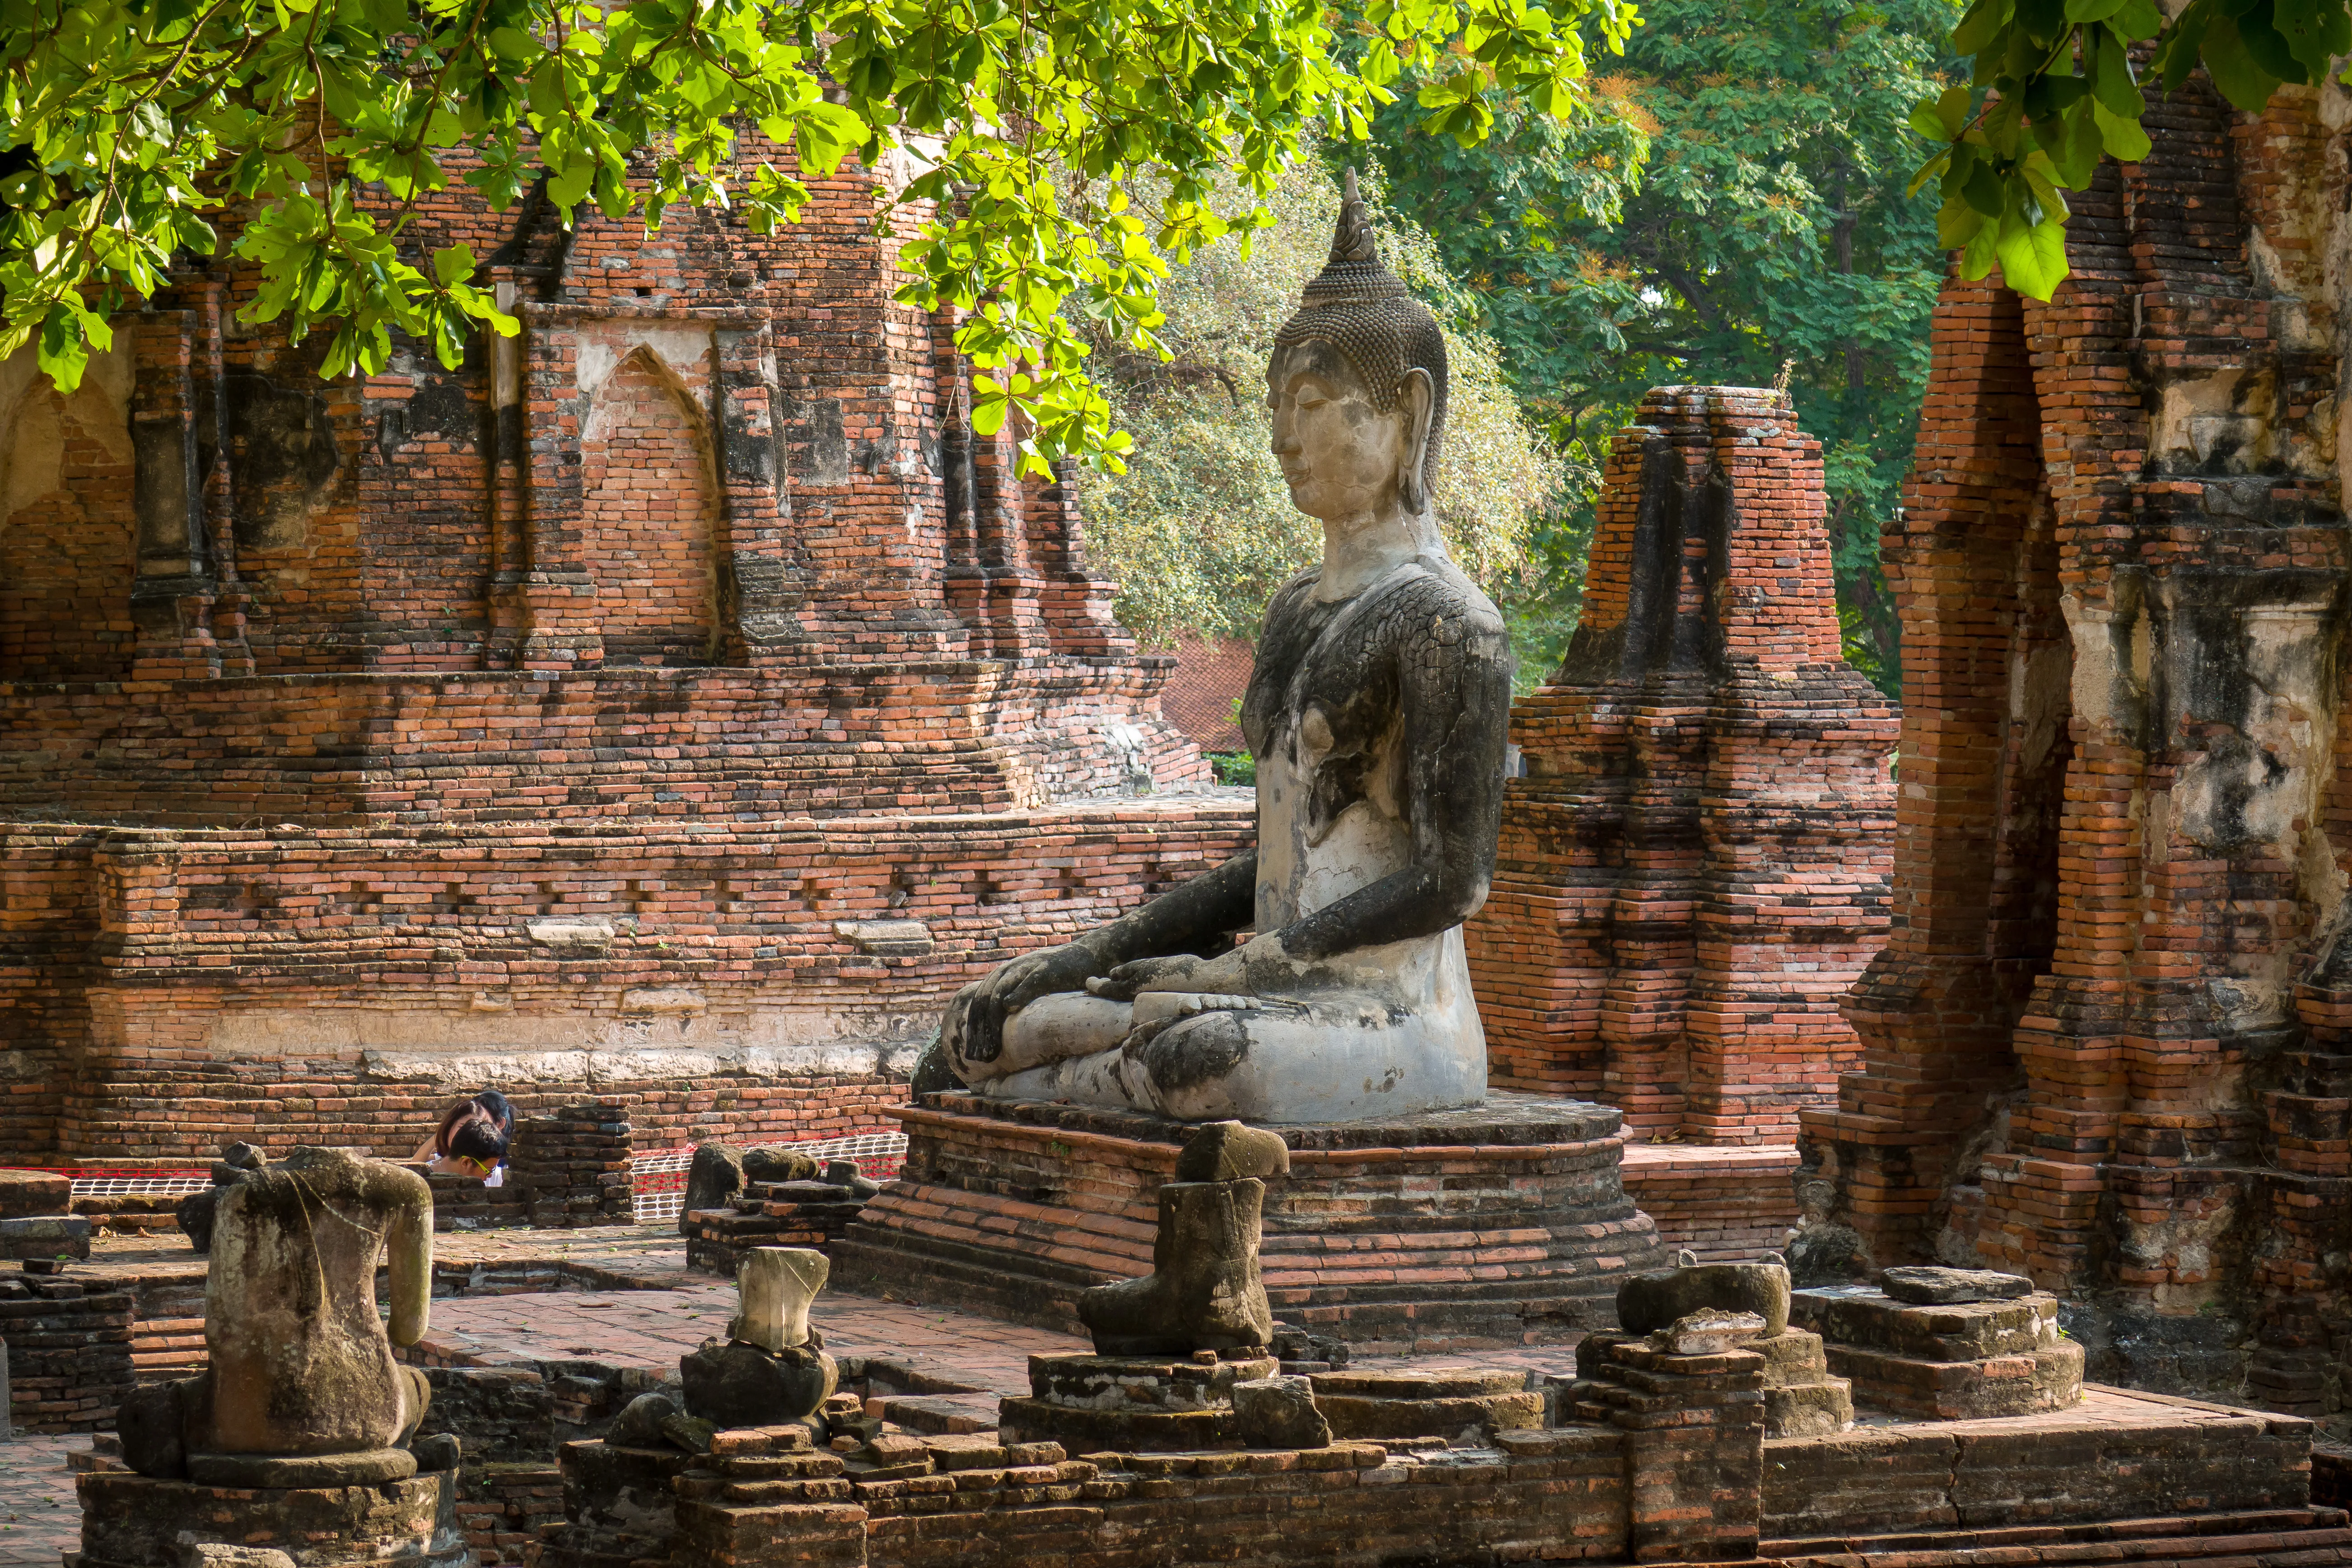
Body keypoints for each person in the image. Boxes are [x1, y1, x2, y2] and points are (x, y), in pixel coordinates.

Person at [940, 170, 1512, 1124]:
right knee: (976, 1032)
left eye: (1318, 402)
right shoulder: (1295, 608)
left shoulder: (1453, 623)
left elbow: (1453, 881)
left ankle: (1075, 1090)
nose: (1284, 436)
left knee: (1201, 1054)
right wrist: (1098, 949)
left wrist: (1235, 970)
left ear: (1406, 410)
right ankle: (1074, 1078)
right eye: (1278, 402)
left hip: (1387, 1007)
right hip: (1272, 982)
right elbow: (1279, 855)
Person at [415, 1091, 513, 1184]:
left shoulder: (494, 1172)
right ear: (466, 1162)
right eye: (465, 1127)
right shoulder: (423, 1176)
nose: (469, 1133)